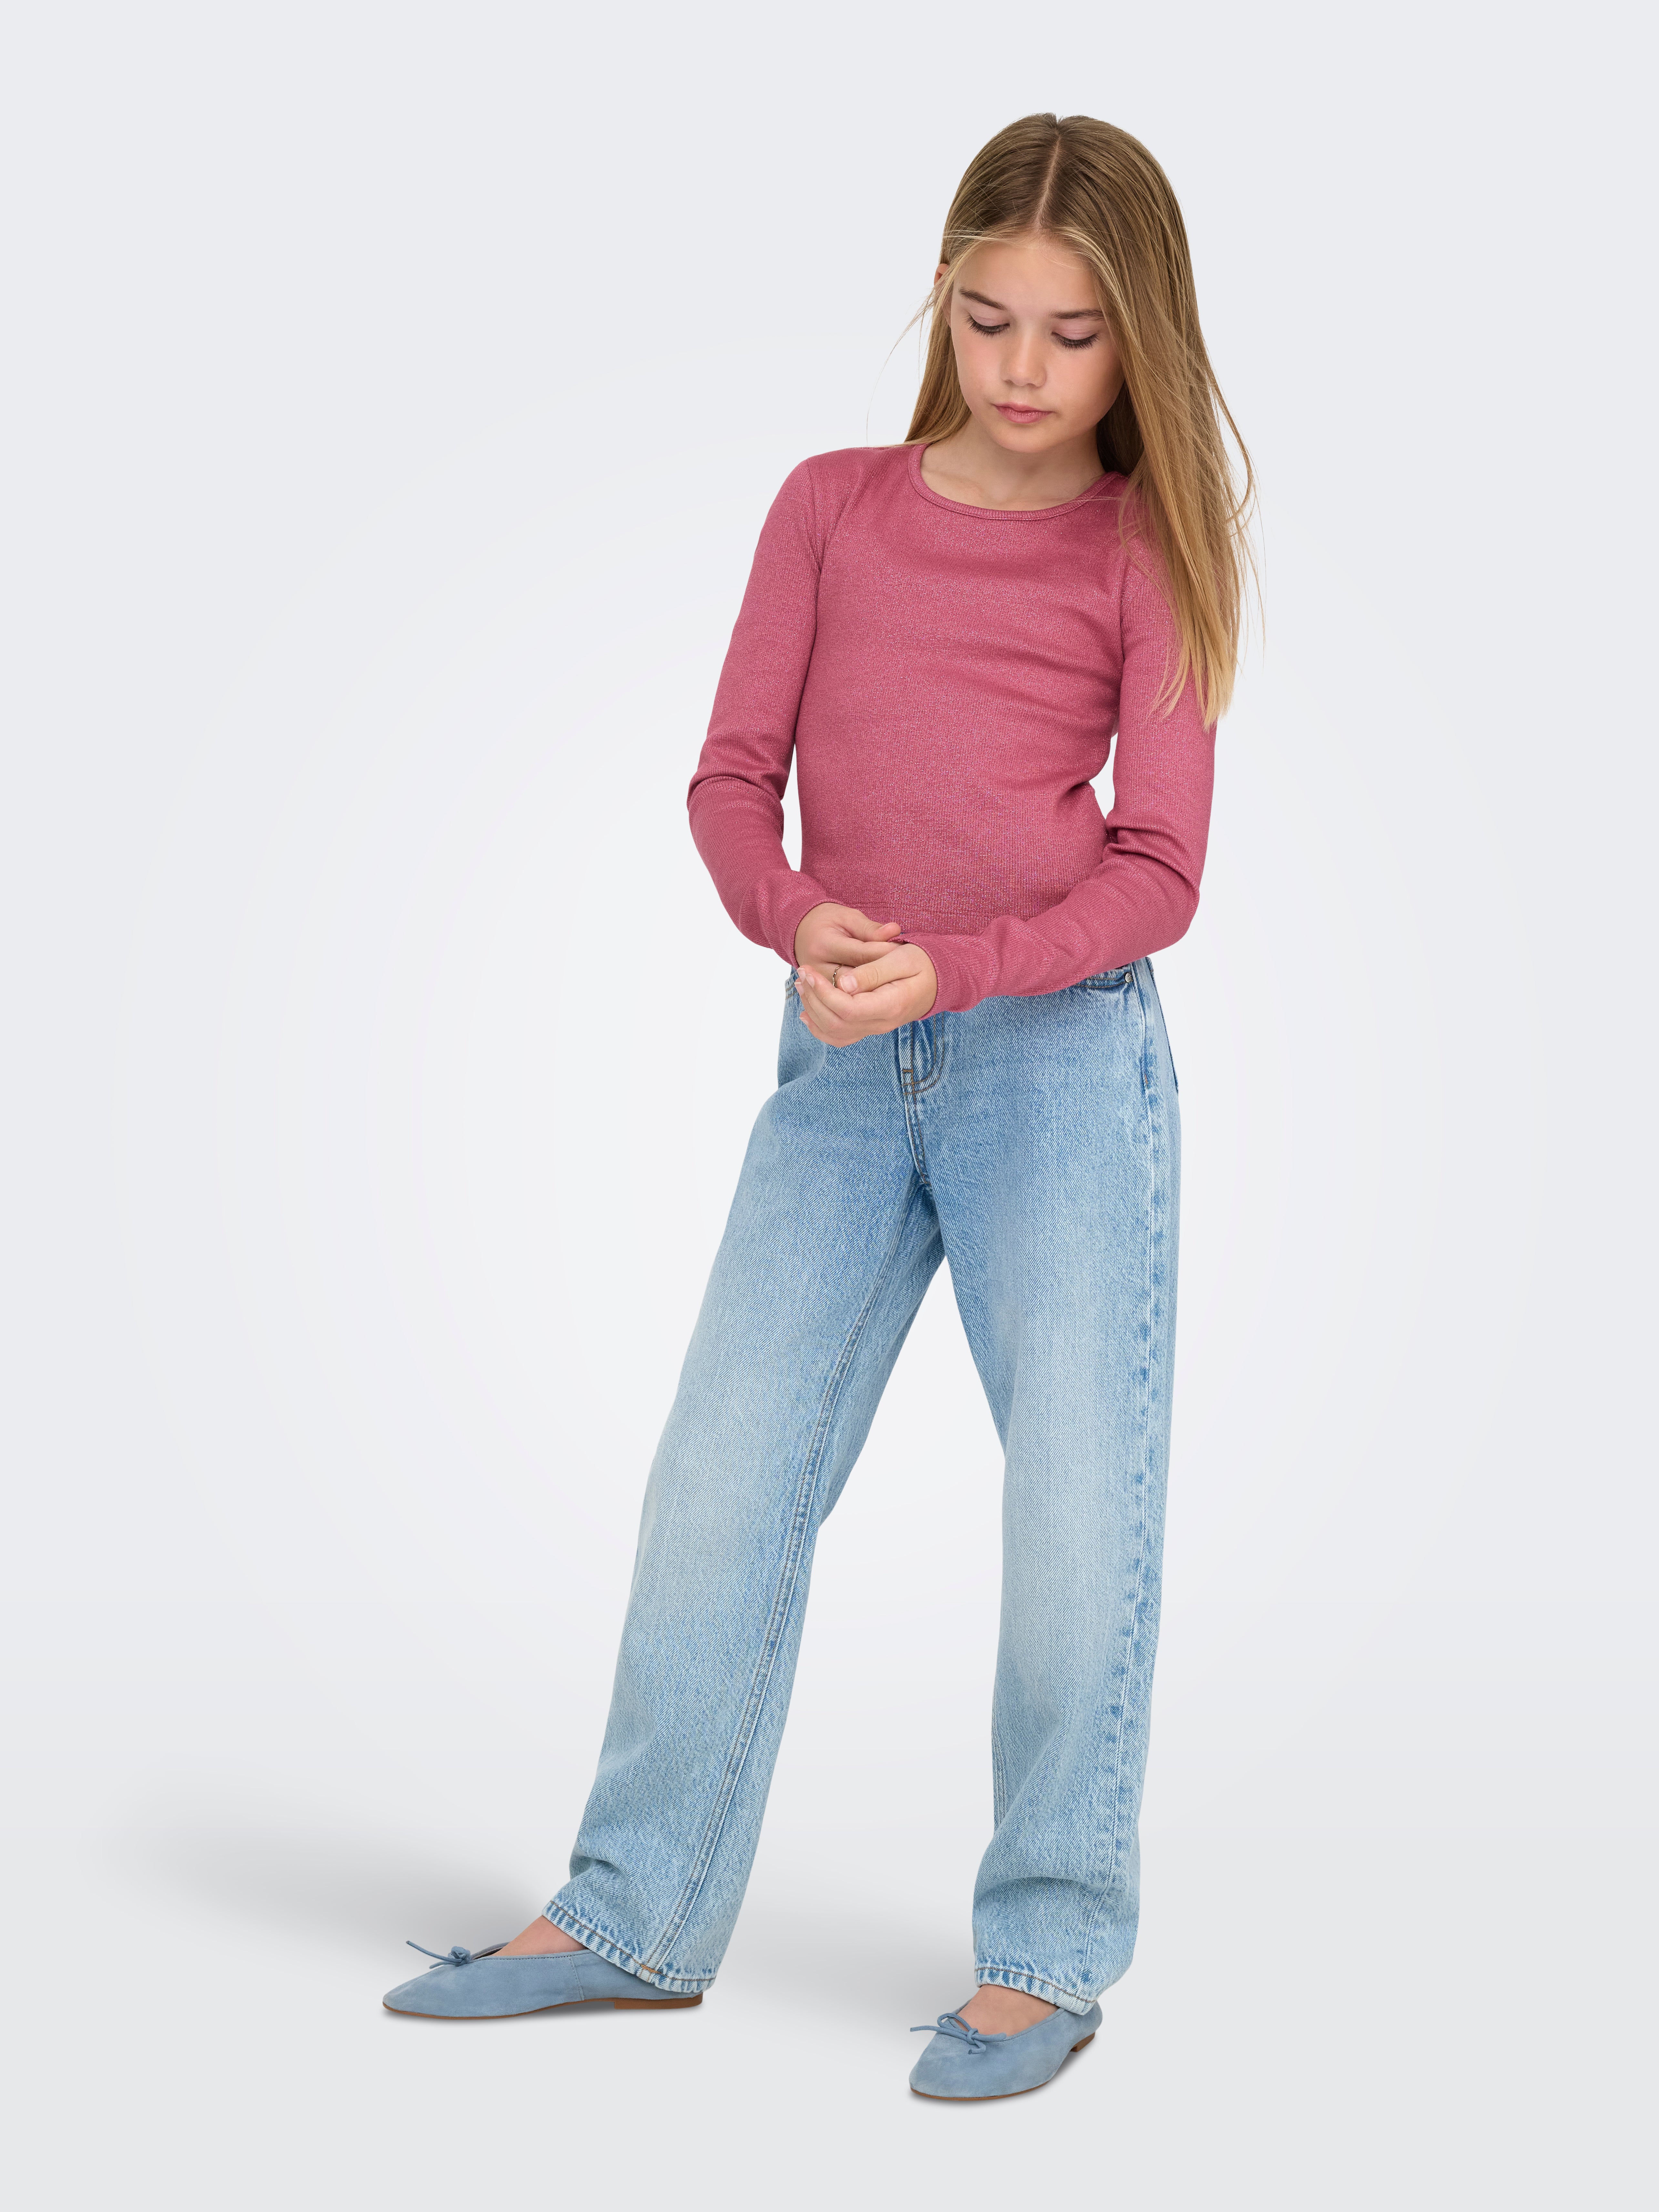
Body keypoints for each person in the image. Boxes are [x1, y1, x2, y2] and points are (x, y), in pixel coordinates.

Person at [384, 109, 1252, 2103]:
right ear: (937, 297)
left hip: (1060, 1065)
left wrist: (970, 965)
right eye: (987, 317)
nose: (1022, 368)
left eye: (1074, 335)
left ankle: (1046, 1949)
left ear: (1138, 343)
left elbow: (1160, 874)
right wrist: (796, 920)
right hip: (846, 1061)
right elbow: (727, 778)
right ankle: (633, 1908)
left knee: (1075, 1519)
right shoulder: (831, 507)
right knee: (720, 1474)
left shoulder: (1146, 546)